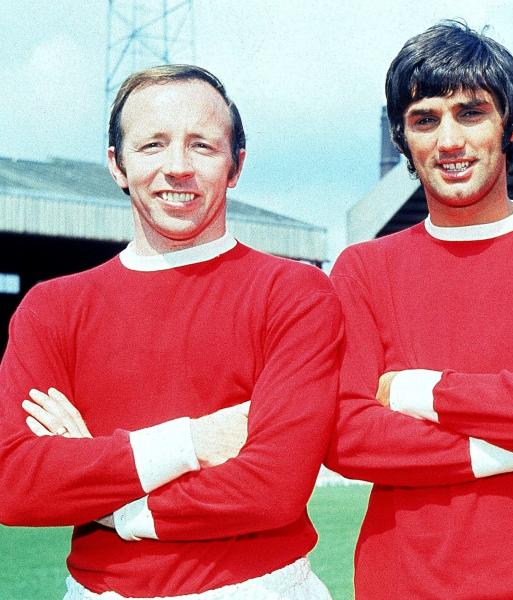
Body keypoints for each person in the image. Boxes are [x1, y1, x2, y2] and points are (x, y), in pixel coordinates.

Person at [0, 65, 343, 599]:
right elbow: (16, 483)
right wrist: (193, 441)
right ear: (116, 164)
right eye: (152, 145)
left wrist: (101, 488)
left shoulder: (295, 292)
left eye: (203, 145)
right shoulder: (52, 308)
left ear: (236, 166)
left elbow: (273, 490)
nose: (177, 167)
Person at [325, 20, 513, 599]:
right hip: (401, 587)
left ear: (510, 123)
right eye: (425, 119)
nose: (449, 141)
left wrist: (415, 392)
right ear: (402, 137)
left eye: (471, 112)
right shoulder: (363, 271)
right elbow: (346, 436)